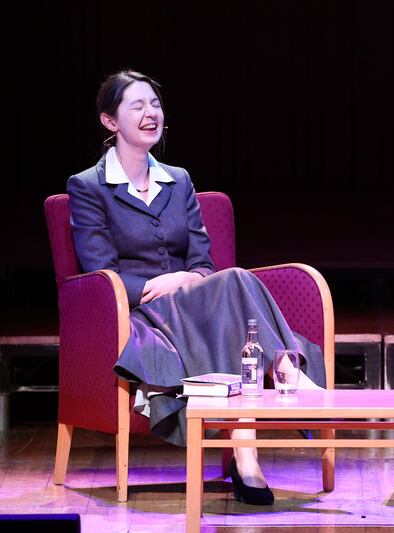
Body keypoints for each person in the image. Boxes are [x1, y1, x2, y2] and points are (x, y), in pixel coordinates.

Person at [67, 70, 326, 506]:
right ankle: (284, 368)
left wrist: (189, 278)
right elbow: (100, 272)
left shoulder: (179, 179)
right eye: (137, 106)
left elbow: (205, 263)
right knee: (236, 289)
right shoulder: (89, 186)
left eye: (155, 104)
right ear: (110, 122)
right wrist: (163, 282)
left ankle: (247, 456)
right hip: (140, 313)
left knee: (234, 283)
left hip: (197, 307)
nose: (151, 114)